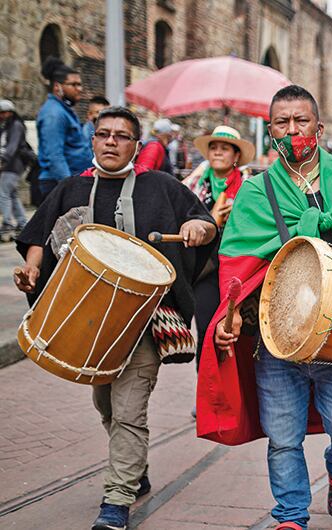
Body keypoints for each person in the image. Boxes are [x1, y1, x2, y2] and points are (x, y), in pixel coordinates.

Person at [200, 85, 332, 530]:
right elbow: (236, 264)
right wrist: (230, 315)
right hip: (277, 338)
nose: (293, 130)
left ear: (319, 127)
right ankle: (291, 515)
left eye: (301, 121)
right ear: (270, 130)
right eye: (282, 122)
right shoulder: (255, 193)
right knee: (282, 437)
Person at [13, 106, 217, 530]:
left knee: (128, 410)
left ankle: (117, 498)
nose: (111, 142)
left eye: (121, 136)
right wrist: (33, 267)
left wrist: (201, 228)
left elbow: (204, 221)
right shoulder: (71, 189)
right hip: (88, 321)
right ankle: (134, 468)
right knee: (104, 402)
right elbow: (37, 234)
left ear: (136, 146)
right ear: (92, 141)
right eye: (103, 134)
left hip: (144, 319)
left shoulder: (160, 186)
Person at [181, 125, 255, 366]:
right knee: (207, 328)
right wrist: (211, 220)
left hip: (239, 268)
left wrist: (238, 216)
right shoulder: (194, 185)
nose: (218, 153)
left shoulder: (249, 188)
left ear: (236, 156)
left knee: (239, 334)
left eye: (225, 149)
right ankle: (206, 389)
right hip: (205, 269)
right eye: (213, 148)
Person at [37, 58, 92, 201]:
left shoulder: (64, 110)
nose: (79, 89)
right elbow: (55, 156)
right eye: (73, 84)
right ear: (57, 87)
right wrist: (69, 188)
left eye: (80, 84)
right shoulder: (54, 114)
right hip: (58, 184)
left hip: (71, 181)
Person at [0, 99, 29, 237]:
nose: (1, 115)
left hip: (13, 164)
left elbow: (12, 146)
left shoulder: (16, 125)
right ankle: (22, 223)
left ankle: (7, 223)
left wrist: (3, 160)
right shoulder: (5, 126)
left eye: (4, 113)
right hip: (8, 165)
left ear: (10, 112)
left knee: (3, 192)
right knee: (12, 194)